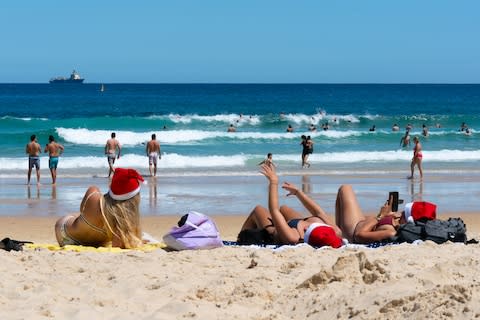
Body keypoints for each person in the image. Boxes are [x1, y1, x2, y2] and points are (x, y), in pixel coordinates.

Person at [238, 164, 342, 247]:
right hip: (294, 225)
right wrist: (298, 193)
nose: (308, 225)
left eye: (308, 228)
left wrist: (273, 182)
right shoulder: (335, 231)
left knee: (258, 209)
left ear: (306, 232)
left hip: (281, 232)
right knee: (284, 208)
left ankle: (240, 239)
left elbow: (274, 210)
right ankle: (279, 222)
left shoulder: (292, 237)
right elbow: (318, 212)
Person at [54, 168, 144, 248]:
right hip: (97, 242)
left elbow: (82, 209)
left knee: (84, 213)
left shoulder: (94, 195)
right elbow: (117, 245)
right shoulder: (124, 224)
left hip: (66, 236)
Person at [335, 184, 406, 244]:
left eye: (406, 212)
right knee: (344, 190)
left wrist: (381, 216)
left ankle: (339, 237)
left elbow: (359, 235)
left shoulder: (391, 232)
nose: (403, 212)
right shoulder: (399, 223)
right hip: (362, 223)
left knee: (345, 188)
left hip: (354, 230)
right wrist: (387, 213)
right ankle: (338, 235)